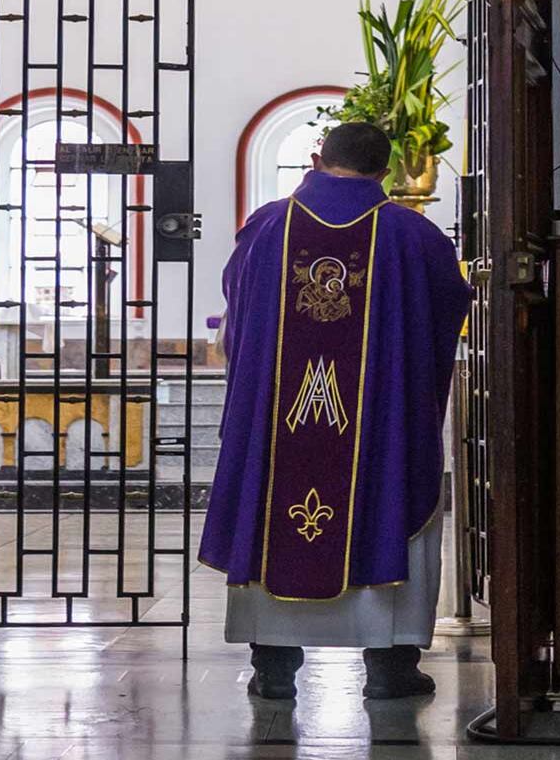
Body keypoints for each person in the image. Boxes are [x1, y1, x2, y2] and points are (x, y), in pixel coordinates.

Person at [197, 121, 473, 700]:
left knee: (274, 503)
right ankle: (390, 665)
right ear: (386, 172)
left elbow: (238, 306)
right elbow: (448, 311)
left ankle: (274, 665)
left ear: (319, 158)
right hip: (375, 423)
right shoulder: (412, 235)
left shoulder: (268, 227)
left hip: (281, 417)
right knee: (388, 492)